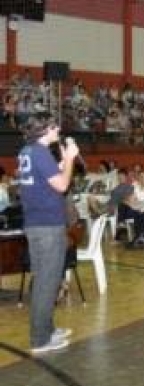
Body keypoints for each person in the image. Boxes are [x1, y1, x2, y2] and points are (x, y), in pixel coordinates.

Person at [18, 112, 78, 354]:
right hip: (47, 225)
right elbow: (62, 186)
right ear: (44, 129)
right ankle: (40, 339)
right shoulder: (41, 153)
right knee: (47, 282)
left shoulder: (27, 151)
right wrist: (72, 159)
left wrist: (64, 160)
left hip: (36, 223)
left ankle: (48, 329)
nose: (58, 129)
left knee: (46, 279)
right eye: (54, 126)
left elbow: (49, 179)